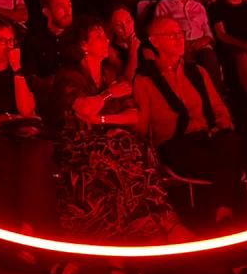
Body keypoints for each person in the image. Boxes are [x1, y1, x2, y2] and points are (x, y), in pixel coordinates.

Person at [50, 19, 183, 246]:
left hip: (108, 139)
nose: (107, 40)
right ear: (84, 45)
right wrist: (109, 95)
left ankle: (148, 224)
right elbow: (83, 108)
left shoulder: (110, 72)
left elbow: (135, 115)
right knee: (124, 151)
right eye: (99, 37)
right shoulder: (70, 76)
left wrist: (103, 119)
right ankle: (149, 226)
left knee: (135, 147)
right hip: (78, 143)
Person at [0, 16, 67, 274]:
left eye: (12, 41)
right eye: (2, 40)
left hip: (22, 135)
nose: (9, 46)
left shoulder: (18, 73)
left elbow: (26, 109)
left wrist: (18, 71)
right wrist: (8, 119)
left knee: (38, 156)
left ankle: (29, 232)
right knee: (8, 162)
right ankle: (19, 243)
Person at [132, 17, 245, 223]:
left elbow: (219, 108)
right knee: (225, 158)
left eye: (180, 34)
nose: (179, 39)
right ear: (155, 42)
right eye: (171, 35)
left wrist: (222, 126)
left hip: (208, 136)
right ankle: (223, 208)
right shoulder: (145, 79)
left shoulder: (197, 72)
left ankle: (221, 209)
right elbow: (143, 125)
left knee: (230, 142)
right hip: (175, 143)